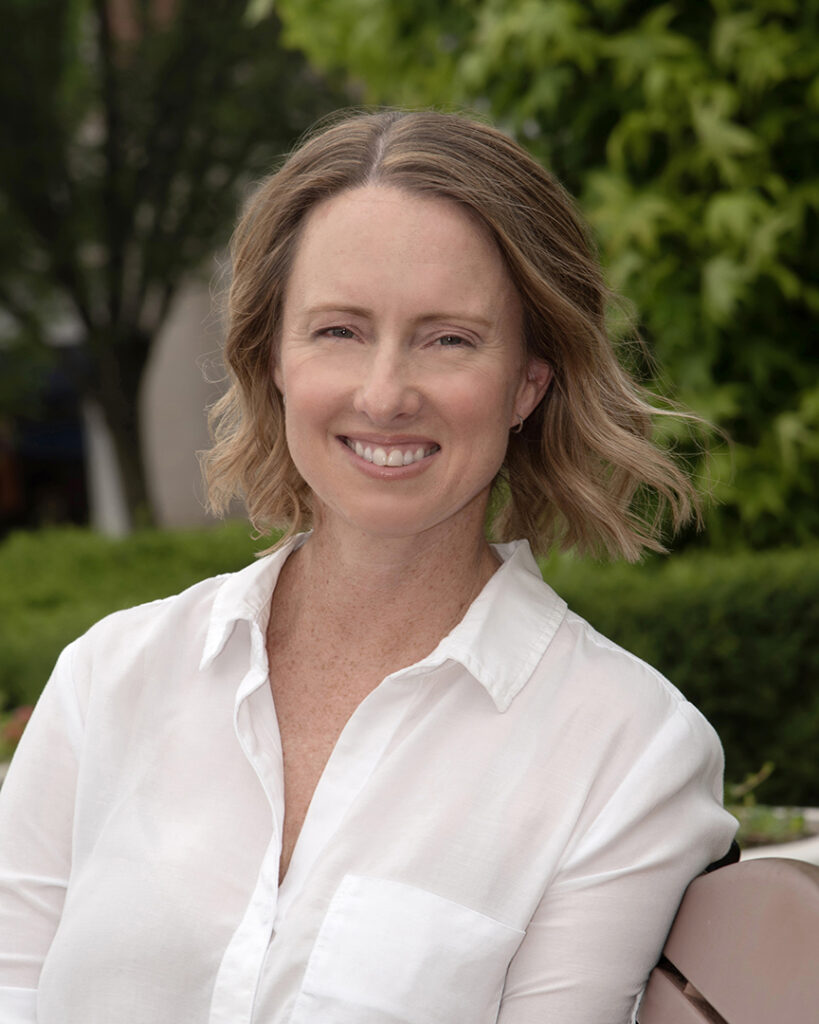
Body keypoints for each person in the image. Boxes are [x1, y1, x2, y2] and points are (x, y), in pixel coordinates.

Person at [0, 110, 737, 1024]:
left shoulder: (627, 754)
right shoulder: (106, 681)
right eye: (339, 330)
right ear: (273, 358)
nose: (384, 393)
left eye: (449, 338)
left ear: (527, 384)